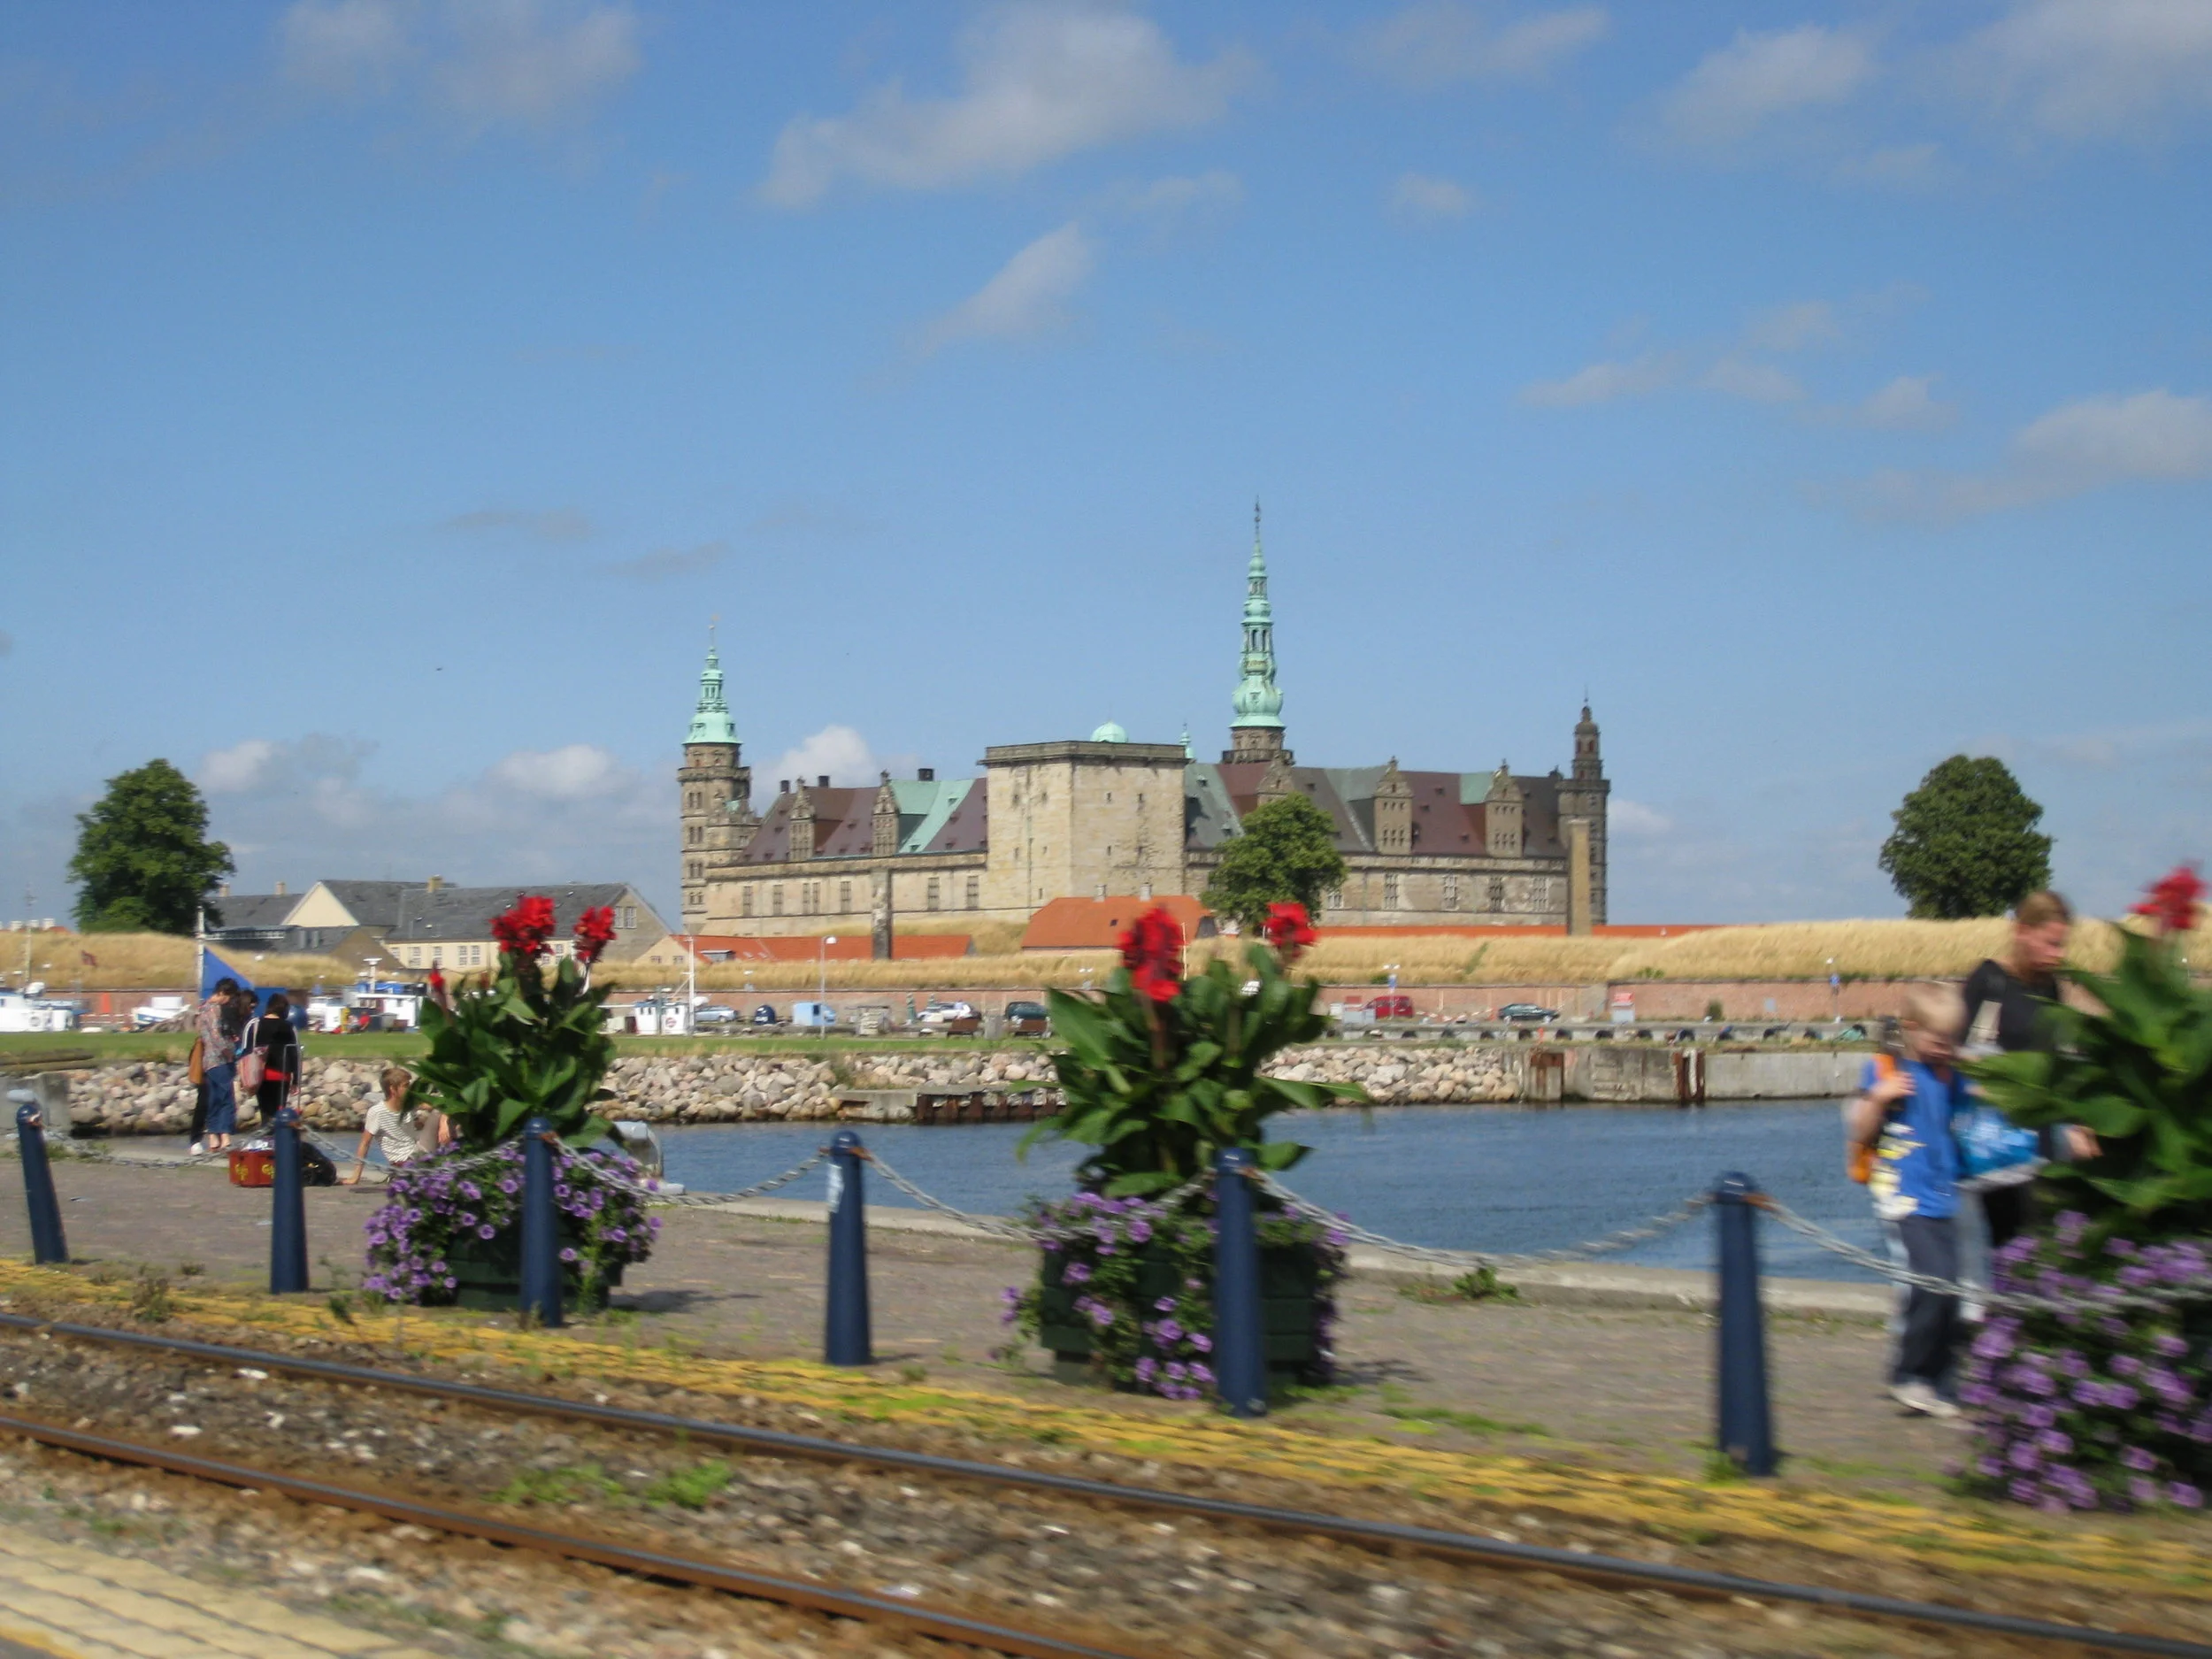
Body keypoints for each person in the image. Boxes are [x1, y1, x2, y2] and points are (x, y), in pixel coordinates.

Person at [1847, 981, 1972, 1418]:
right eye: (1940, 1041)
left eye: (1954, 1040)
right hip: (1905, 1200)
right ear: (1912, 1029)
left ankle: (1936, 1379)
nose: (1946, 1049)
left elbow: (1973, 1104)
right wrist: (1880, 1099)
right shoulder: (1887, 1073)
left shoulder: (1949, 1075)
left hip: (1943, 1198)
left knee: (1952, 1289)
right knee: (1931, 1282)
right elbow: (1861, 1131)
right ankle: (1907, 1374)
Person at [1959, 890, 2098, 1252]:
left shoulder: (2049, 986)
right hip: (2000, 1142)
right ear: (2022, 931)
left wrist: (2078, 1121)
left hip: (2045, 1137)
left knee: (2049, 1240)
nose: (2059, 954)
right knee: (2013, 1242)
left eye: (2062, 944)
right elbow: (1955, 1053)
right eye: (2051, 943)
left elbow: (2054, 1058)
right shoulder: (1989, 981)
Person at [342, 1066, 442, 1184]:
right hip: (404, 1162)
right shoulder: (377, 1112)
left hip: (418, 1153)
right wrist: (355, 1177)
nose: (410, 1090)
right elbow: (364, 1144)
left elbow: (434, 1105)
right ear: (393, 1089)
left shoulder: (409, 1104)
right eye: (406, 1086)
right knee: (439, 1113)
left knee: (445, 1112)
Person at [195, 979, 242, 1154]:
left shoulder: (203, 1007)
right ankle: (225, 1138)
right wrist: (231, 1050)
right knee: (226, 1100)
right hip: (220, 1060)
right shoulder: (215, 1009)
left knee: (214, 1099)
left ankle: (213, 1137)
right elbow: (217, 1036)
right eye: (228, 997)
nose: (229, 1001)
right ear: (223, 993)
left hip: (208, 1060)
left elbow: (202, 1033)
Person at [242, 993, 301, 1131]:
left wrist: (242, 1077)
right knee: (279, 1110)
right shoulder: (289, 1027)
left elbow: (245, 1051)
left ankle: (266, 1138)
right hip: (282, 1075)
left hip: (261, 1074)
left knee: (265, 1111)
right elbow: (295, 1053)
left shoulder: (254, 1024)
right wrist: (296, 1080)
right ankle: (278, 1141)